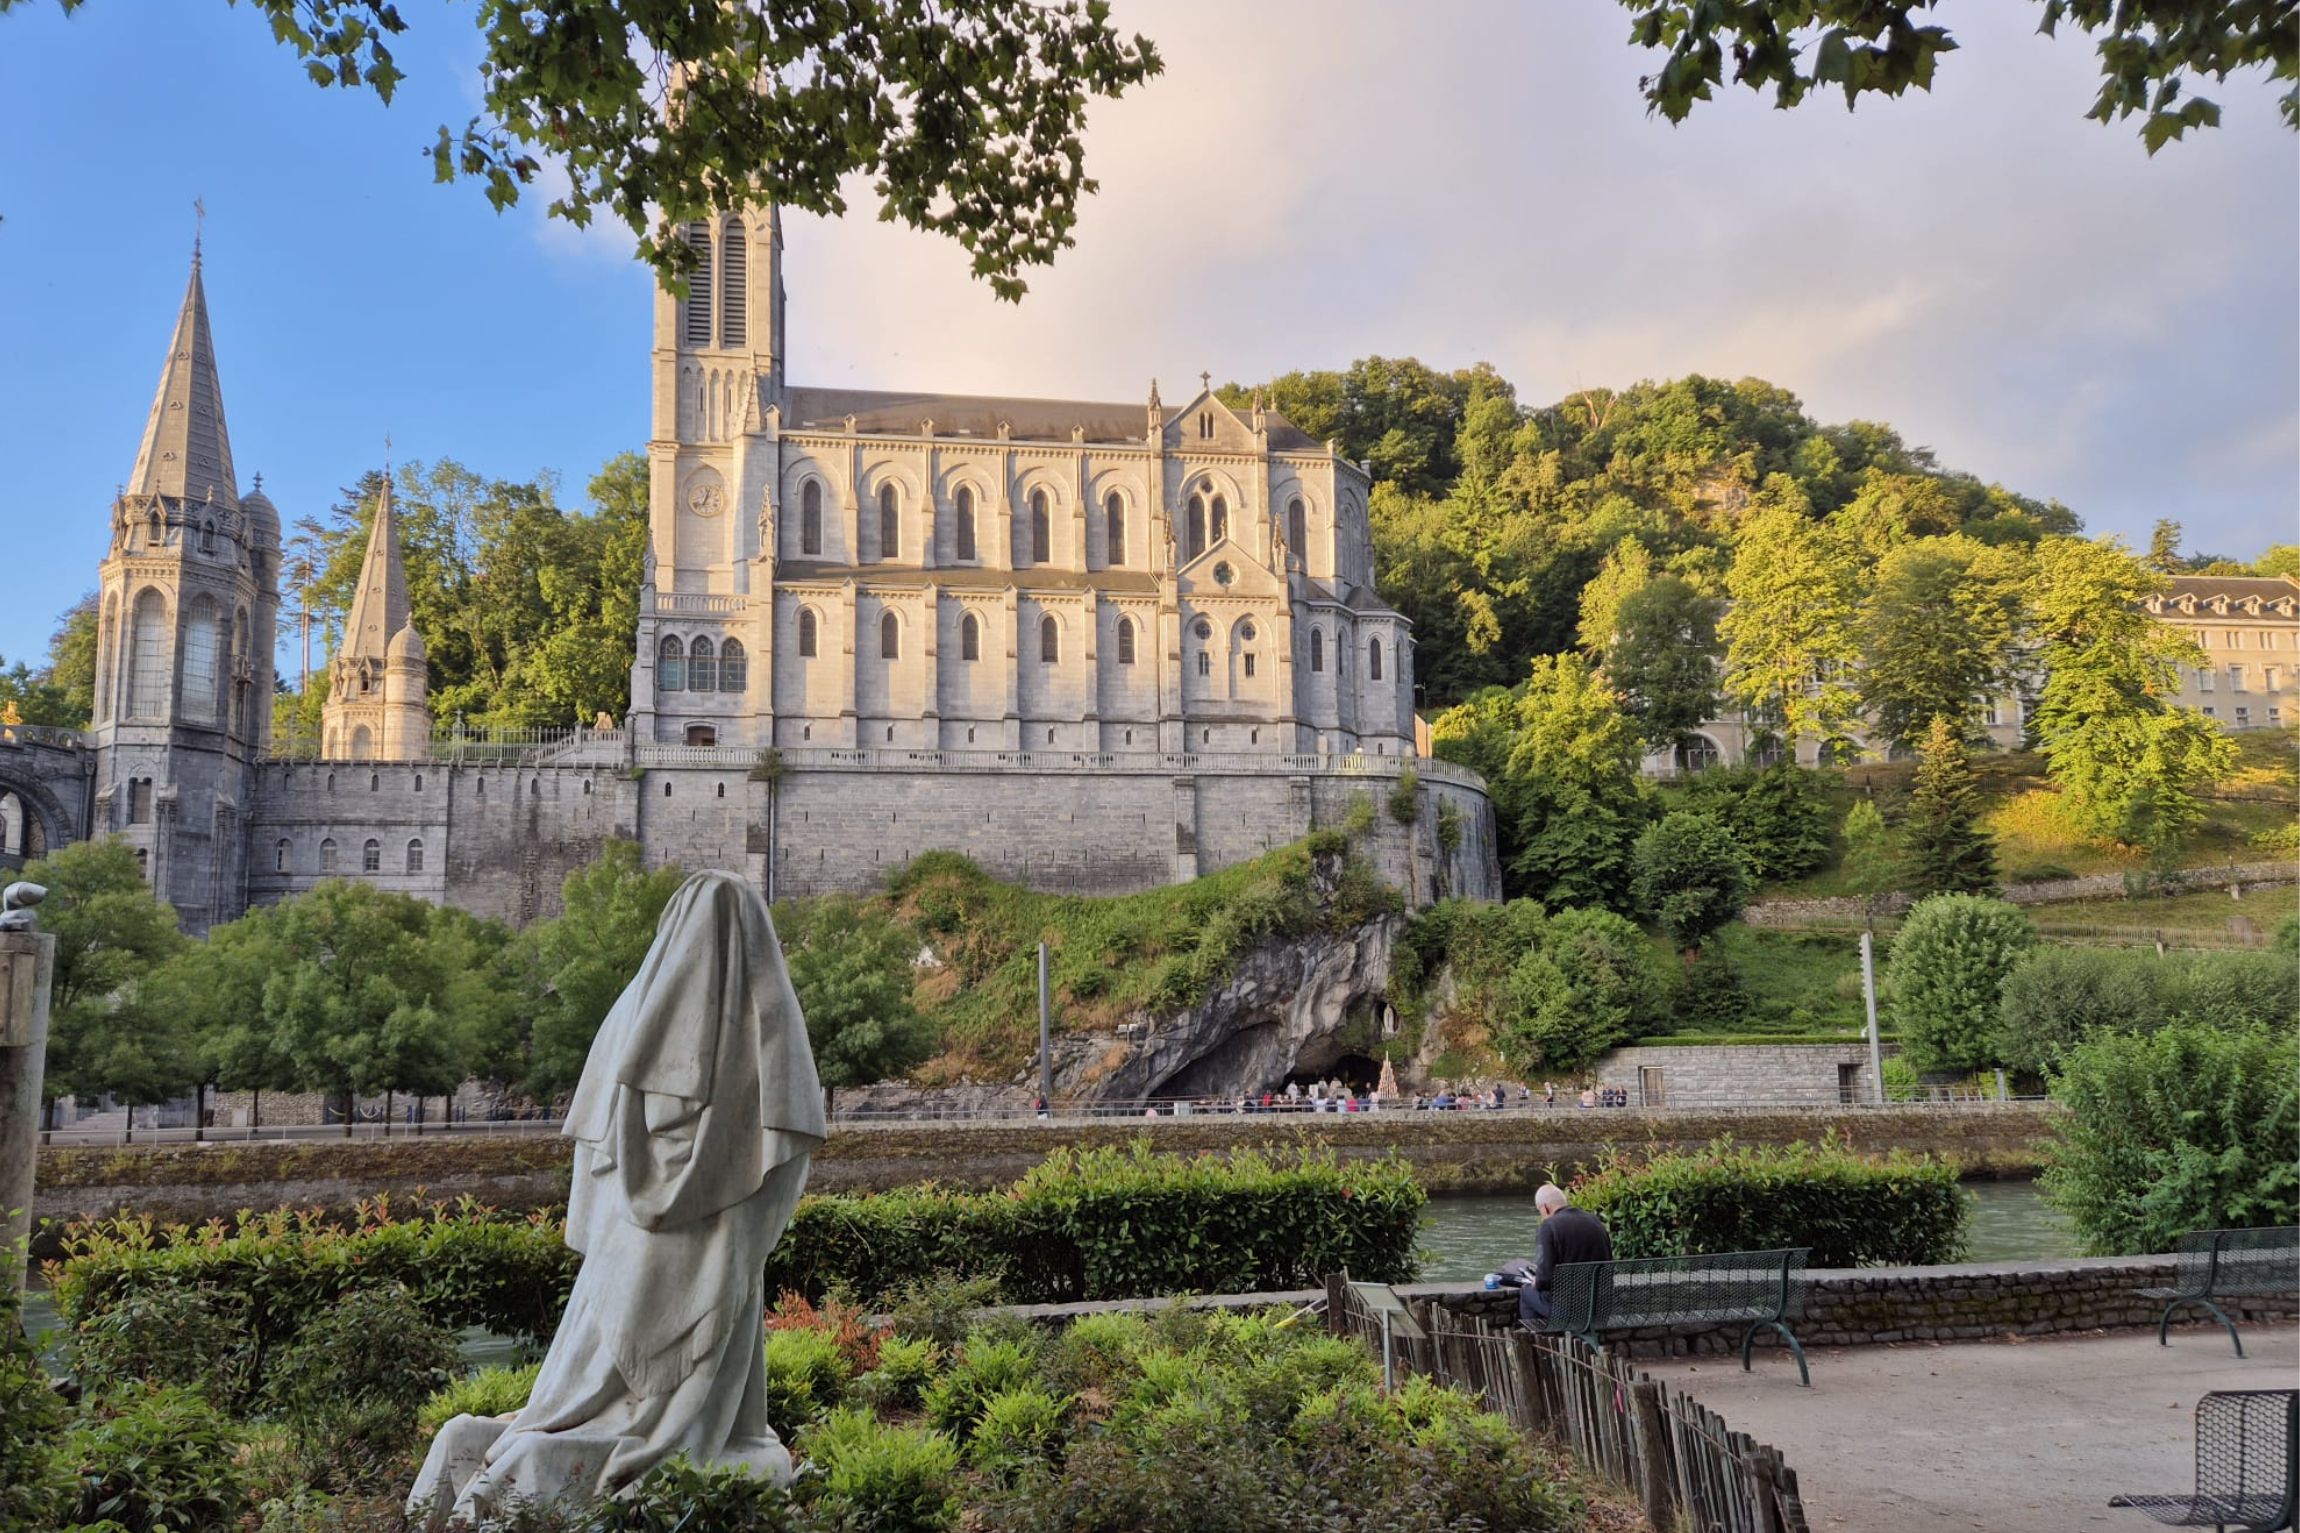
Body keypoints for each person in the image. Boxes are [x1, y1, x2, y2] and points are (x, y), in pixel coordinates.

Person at [409, 871, 827, 1521]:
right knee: (680, 1394)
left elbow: (595, 1156)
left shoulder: (632, 1018)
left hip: (624, 1258)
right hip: (712, 1258)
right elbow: (783, 1148)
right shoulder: (761, 1024)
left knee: (586, 1390)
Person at [1516, 1183, 1613, 1329]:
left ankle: (1541, 1338)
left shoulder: (1549, 1227)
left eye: (1539, 1211)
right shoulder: (1595, 1221)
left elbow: (1544, 1280)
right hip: (1601, 1307)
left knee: (1526, 1292)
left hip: (1568, 1310)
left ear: (1545, 1208)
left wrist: (1536, 1281)